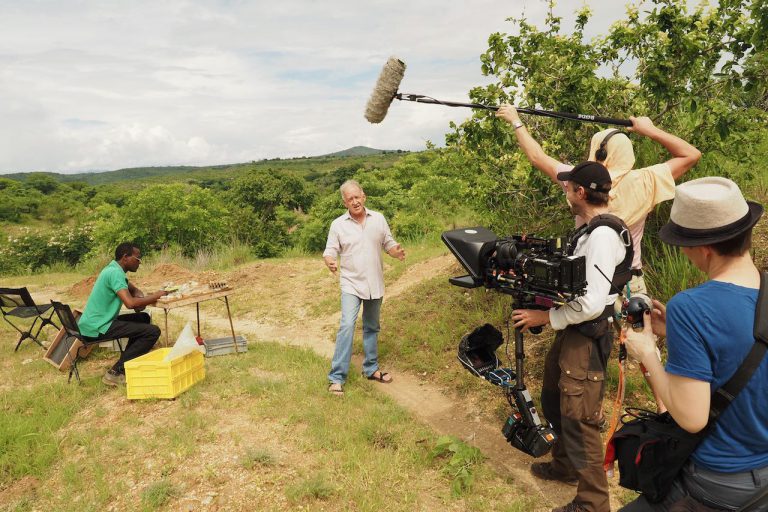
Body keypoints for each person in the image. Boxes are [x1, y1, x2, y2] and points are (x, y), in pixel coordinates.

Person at [496, 105, 701, 413]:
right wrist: (649, 129)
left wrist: (515, 120)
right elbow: (690, 155)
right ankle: (663, 406)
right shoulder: (646, 180)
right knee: (643, 344)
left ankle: (586, 405)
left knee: (582, 342)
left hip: (585, 281)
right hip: (630, 280)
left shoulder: (579, 182)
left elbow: (537, 157)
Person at [620, 177, 767, 511]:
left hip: (717, 481)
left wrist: (648, 354)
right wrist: (677, 333)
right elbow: (742, 347)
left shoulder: (692, 307)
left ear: (705, 248)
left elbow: (691, 418)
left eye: (682, 244)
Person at [512, 161, 631, 512]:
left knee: (579, 416)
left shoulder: (603, 236)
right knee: (555, 397)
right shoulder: (590, 230)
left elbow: (593, 302)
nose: (565, 191)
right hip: (575, 328)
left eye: (568, 187)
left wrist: (546, 317)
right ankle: (564, 465)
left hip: (588, 330)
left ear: (581, 192)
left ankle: (594, 502)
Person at [323, 180, 405, 396]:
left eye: (357, 197)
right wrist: (330, 260)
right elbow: (330, 250)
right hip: (351, 283)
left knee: (371, 327)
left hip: (375, 282)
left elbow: (388, 242)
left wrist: (395, 251)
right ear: (345, 203)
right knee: (347, 325)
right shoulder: (338, 225)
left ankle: (370, 369)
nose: (355, 201)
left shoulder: (378, 219)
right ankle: (336, 378)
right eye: (350, 199)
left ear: (364, 196)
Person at [78, 242, 168, 386]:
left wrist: (140, 295)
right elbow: (130, 304)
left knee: (143, 318)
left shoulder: (114, 269)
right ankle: (117, 372)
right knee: (152, 332)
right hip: (97, 327)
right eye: (137, 259)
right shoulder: (115, 273)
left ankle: (127, 360)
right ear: (125, 257)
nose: (139, 263)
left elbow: (134, 291)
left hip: (96, 322)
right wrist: (157, 295)